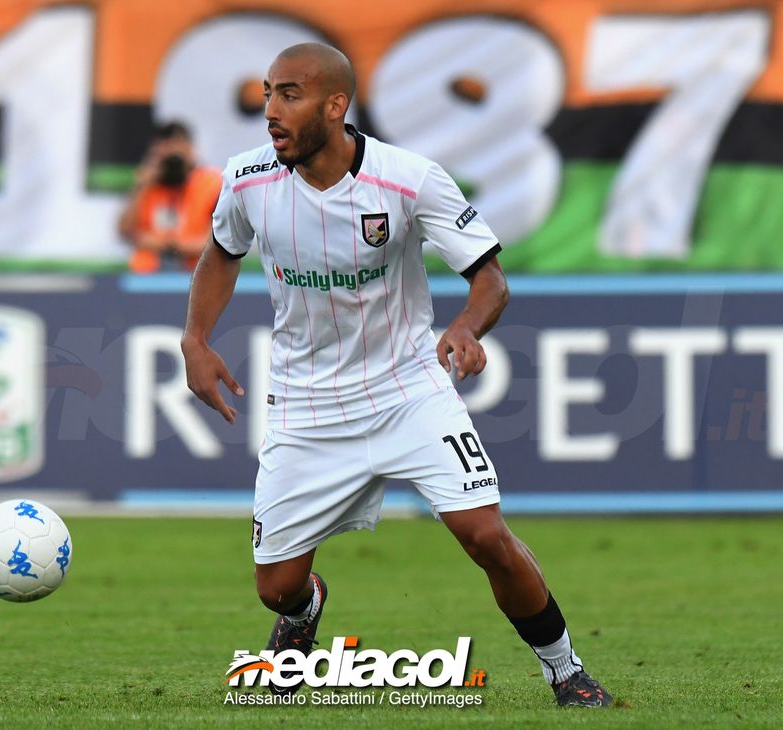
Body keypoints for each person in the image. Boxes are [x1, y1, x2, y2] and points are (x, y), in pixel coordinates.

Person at [181, 43, 612, 707]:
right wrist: (196, 337)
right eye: (267, 92)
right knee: (276, 586)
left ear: (335, 105)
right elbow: (221, 253)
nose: (270, 110)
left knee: (486, 536)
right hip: (305, 404)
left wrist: (466, 327)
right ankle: (303, 612)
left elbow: (489, 279)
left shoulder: (410, 180)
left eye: (288, 94)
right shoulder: (246, 179)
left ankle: (568, 673)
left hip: (408, 391)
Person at [117, 121, 221, 273]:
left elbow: (216, 241)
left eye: (177, 152)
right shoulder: (148, 182)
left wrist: (169, 244)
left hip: (197, 273)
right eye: (166, 151)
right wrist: (140, 187)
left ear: (191, 149)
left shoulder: (210, 182)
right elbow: (126, 231)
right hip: (148, 272)